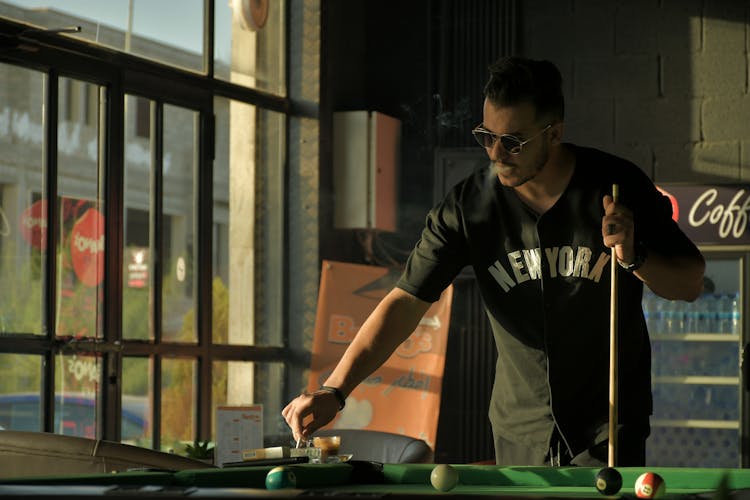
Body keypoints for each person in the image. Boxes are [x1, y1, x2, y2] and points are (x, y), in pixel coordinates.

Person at [282, 56, 705, 466]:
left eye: (513, 141)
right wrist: (335, 390)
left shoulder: (617, 185)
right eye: (487, 136)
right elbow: (405, 301)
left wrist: (634, 257)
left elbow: (689, 284)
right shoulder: (469, 207)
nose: (496, 153)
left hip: (609, 425)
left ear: (554, 133)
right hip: (520, 428)